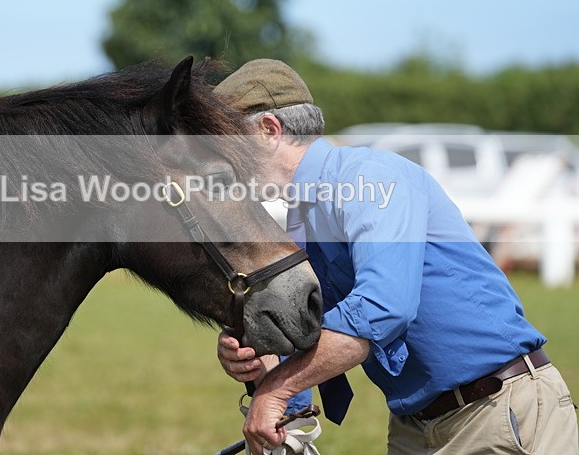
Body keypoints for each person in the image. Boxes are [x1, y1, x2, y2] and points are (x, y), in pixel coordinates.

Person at [213, 59, 579, 454]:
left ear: (269, 130)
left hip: (495, 413)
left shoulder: (369, 177)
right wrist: (263, 359)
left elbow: (382, 308)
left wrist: (277, 390)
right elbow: (315, 328)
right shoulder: (306, 211)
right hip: (417, 426)